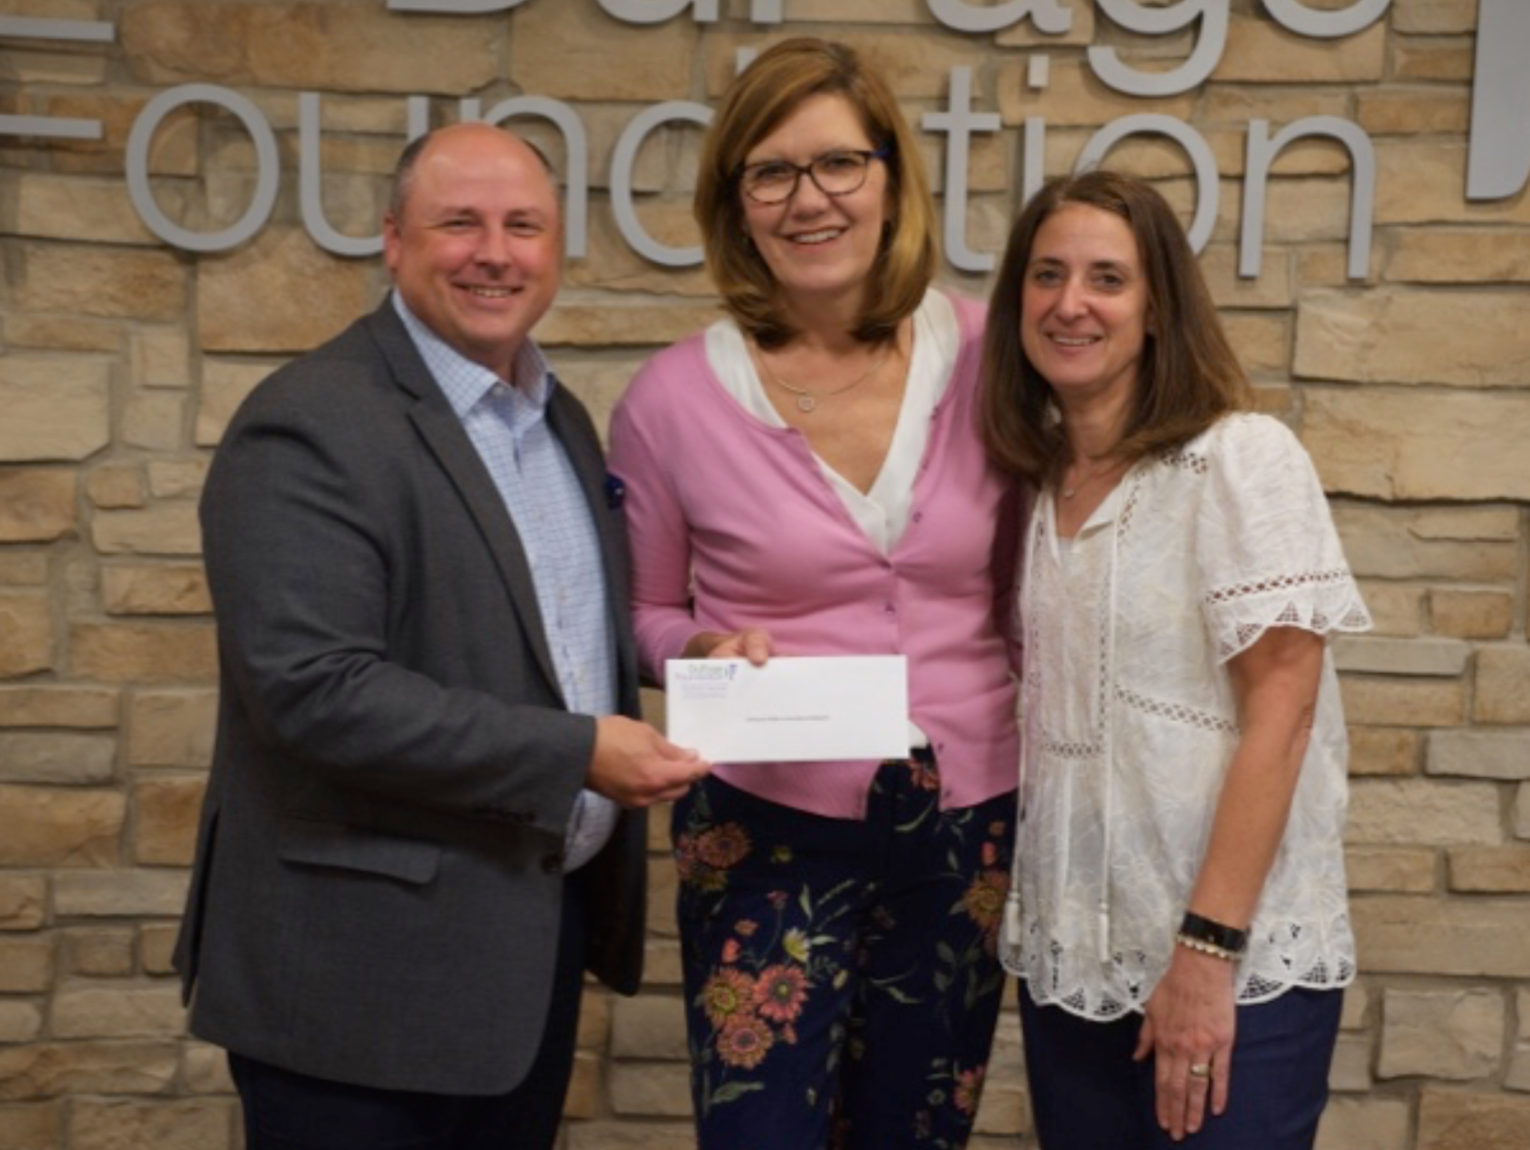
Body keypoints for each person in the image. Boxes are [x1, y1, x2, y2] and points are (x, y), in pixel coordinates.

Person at [173, 122, 707, 1150]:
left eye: (524, 225)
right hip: (357, 986)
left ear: (556, 248)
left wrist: (687, 655)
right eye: (458, 222)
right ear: (392, 239)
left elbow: (553, 629)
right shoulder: (311, 421)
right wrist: (579, 754)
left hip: (518, 961)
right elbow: (313, 689)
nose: (494, 251)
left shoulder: (557, 419)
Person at [606, 37, 1019, 1150]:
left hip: (971, 820)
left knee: (917, 1130)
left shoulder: (994, 357)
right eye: (771, 172)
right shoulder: (672, 399)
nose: (809, 199)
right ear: (735, 202)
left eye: (839, 163)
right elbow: (637, 615)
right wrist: (700, 644)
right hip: (764, 820)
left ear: (891, 176)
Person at [979, 169, 1373, 1149]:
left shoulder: (1240, 459)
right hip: (1076, 962)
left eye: (1106, 278)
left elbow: (1282, 723)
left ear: (1157, 309)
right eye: (1047, 274)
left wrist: (1205, 953)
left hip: (1226, 966)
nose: (1071, 303)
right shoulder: (1026, 483)